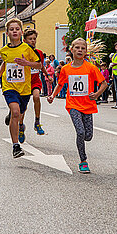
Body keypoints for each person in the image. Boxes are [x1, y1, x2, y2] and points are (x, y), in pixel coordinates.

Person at [47, 38, 107, 173]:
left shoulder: (91, 68)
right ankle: (83, 161)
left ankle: (83, 145)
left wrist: (97, 95)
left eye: (82, 48)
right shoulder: (66, 69)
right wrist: (52, 95)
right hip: (73, 105)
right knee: (80, 132)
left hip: (88, 105)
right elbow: (60, 84)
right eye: (77, 48)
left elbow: (104, 84)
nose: (80, 50)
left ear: (86, 51)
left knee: (88, 136)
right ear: (72, 50)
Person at [0, 18, 41, 158]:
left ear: (21, 32)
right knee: (16, 113)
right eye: (11, 29)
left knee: (20, 112)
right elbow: (5, 63)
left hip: (25, 88)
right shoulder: (4, 50)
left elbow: (38, 65)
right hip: (9, 86)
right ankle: (16, 146)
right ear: (7, 33)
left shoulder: (27, 49)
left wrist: (26, 63)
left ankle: (12, 113)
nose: (14, 31)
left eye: (17, 29)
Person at [18, 28, 51, 138]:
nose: (33, 41)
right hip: (24, 82)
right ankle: (21, 126)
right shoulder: (21, 52)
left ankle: (37, 122)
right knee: (23, 107)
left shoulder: (39, 53)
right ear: (24, 40)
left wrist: (47, 75)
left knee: (36, 97)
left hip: (35, 81)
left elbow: (41, 66)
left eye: (34, 39)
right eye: (30, 39)